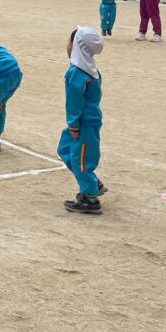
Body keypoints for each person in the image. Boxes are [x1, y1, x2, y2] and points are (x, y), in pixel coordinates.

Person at [57, 27, 107, 215]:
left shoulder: (77, 72)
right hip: (86, 121)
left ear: (76, 46)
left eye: (69, 41)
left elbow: (74, 102)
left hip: (84, 123)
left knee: (82, 159)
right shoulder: (90, 69)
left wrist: (73, 124)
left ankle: (89, 198)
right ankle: (91, 182)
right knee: (64, 148)